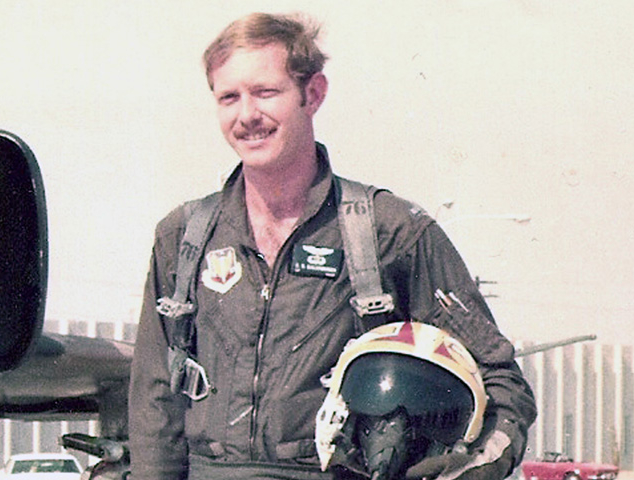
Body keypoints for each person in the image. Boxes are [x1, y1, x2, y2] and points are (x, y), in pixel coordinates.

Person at [128, 12, 537, 480]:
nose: (246, 116)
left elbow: (501, 381)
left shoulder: (391, 234)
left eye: (266, 93)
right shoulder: (183, 238)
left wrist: (470, 468)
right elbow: (154, 408)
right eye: (228, 98)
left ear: (313, 94)